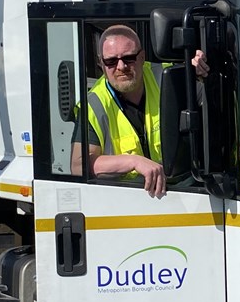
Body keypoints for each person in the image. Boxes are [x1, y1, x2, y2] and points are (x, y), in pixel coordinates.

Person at [72, 24, 207, 198]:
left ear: (142, 57)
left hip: (185, 192)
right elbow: (78, 166)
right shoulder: (93, 104)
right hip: (125, 200)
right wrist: (133, 161)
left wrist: (202, 71)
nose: (121, 66)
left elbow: (216, 107)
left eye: (129, 58)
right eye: (111, 61)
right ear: (101, 64)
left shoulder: (169, 78)